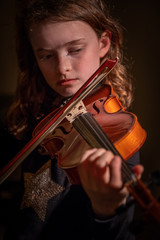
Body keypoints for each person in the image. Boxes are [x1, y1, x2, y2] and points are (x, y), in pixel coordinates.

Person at [3, 0, 145, 239]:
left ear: (103, 44)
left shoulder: (117, 133)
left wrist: (106, 209)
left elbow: (117, 234)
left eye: (75, 50)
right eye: (47, 55)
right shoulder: (31, 117)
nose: (62, 68)